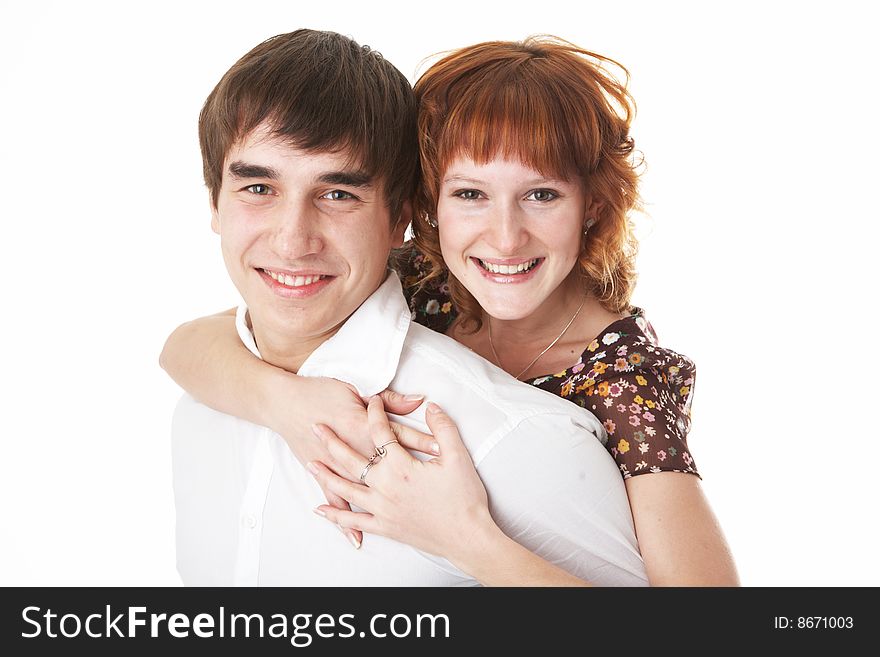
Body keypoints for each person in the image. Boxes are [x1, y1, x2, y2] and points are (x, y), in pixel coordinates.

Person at [163, 35, 737, 586]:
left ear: (593, 206)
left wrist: (463, 538)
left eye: (542, 194)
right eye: (470, 194)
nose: (505, 238)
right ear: (428, 209)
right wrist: (287, 403)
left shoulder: (619, 381)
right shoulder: (424, 280)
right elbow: (188, 343)